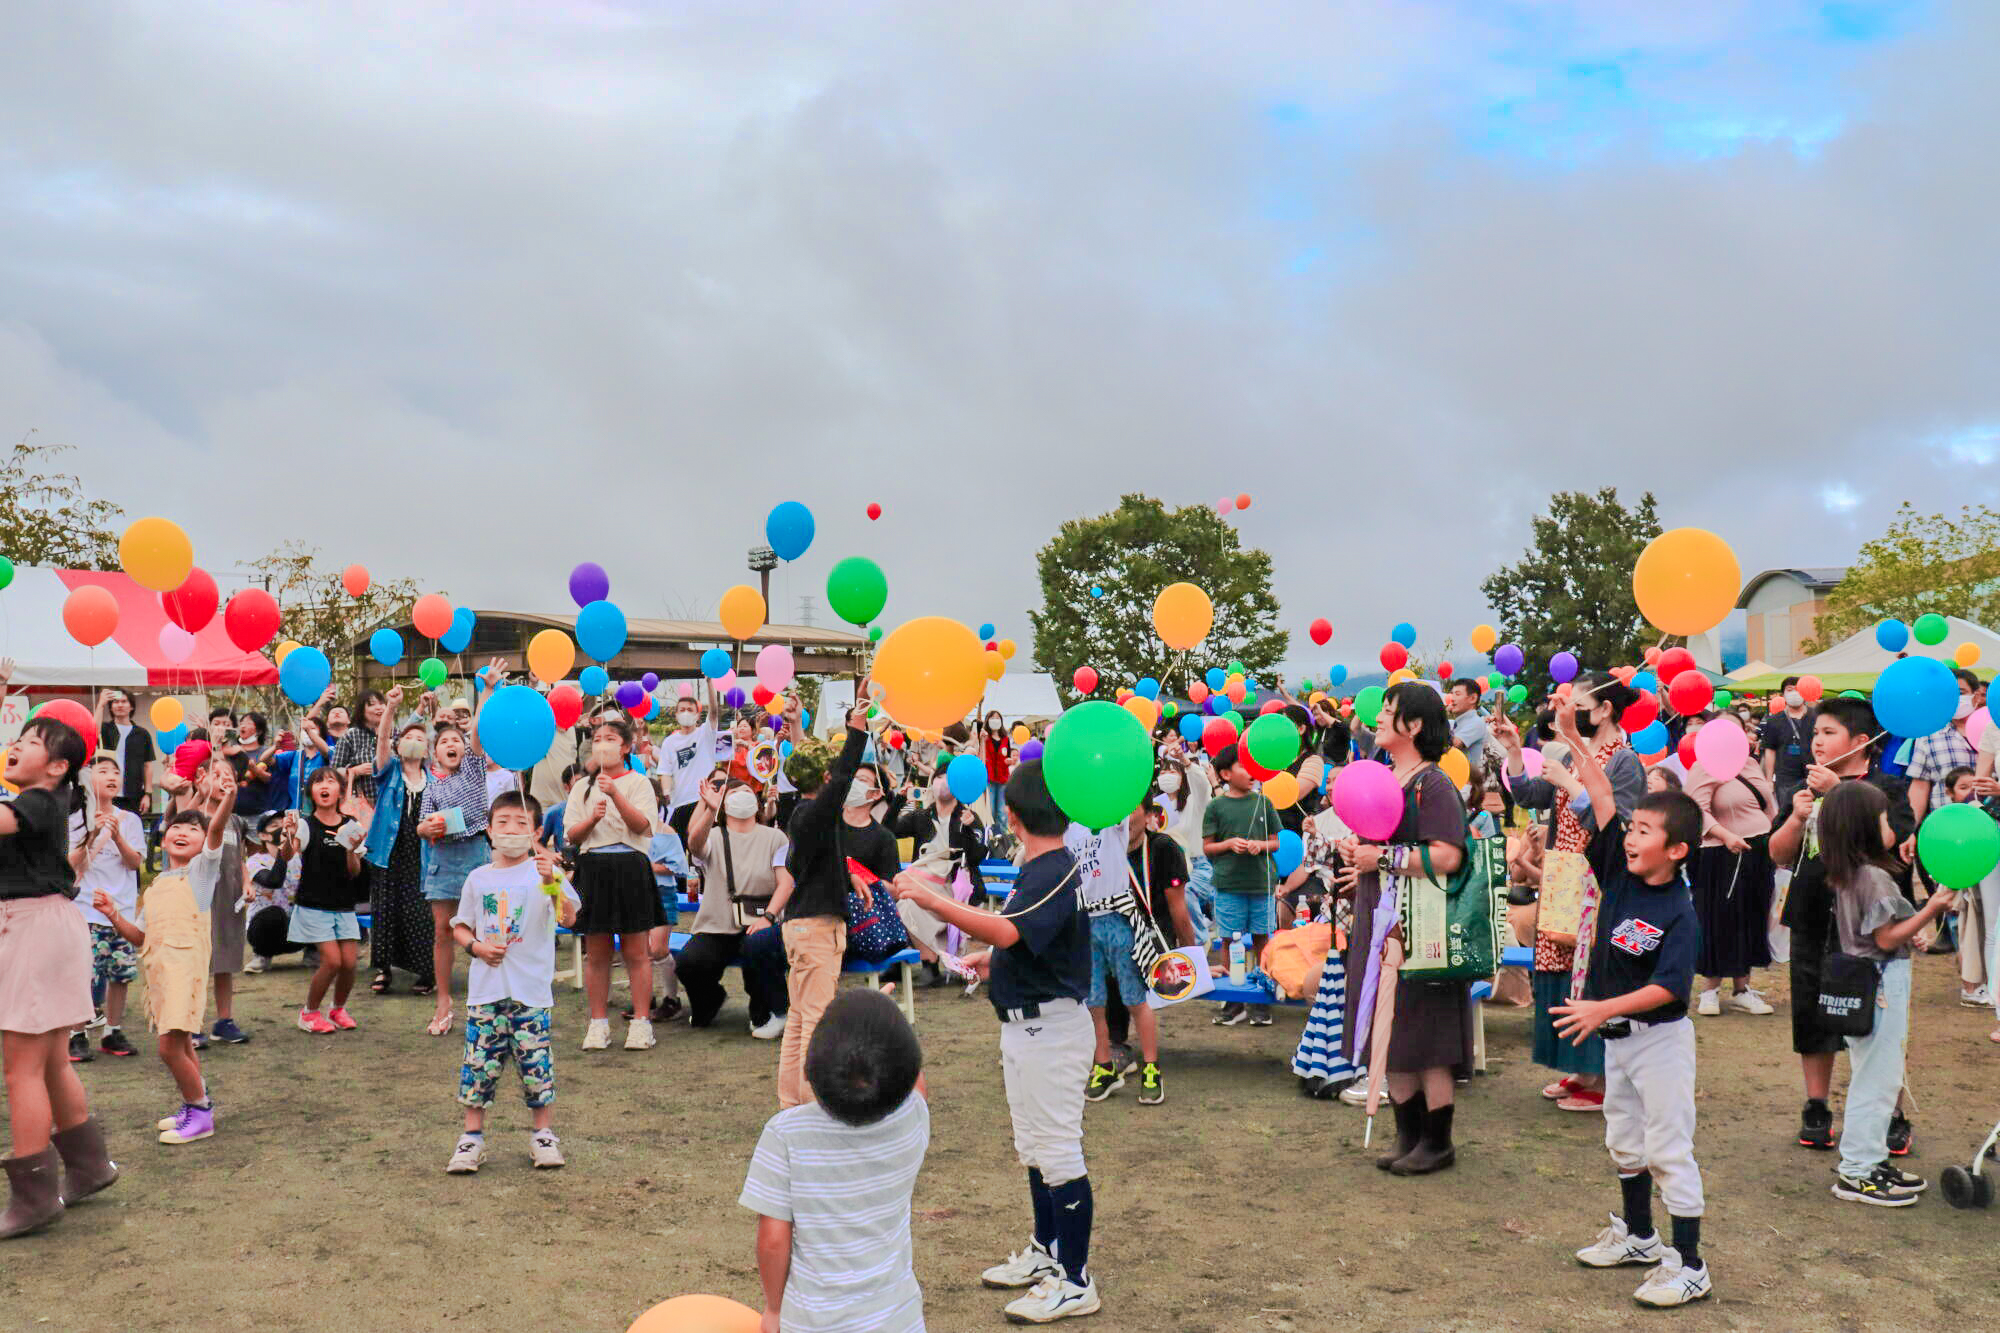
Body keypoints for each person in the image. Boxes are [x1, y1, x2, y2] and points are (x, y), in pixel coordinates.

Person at [886, 760, 1100, 1324]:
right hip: (1031, 1024)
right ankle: (1048, 1253)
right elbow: (1024, 939)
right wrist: (995, 958)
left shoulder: (1052, 867)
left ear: (1012, 813)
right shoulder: (1043, 866)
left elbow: (1010, 929)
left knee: (1056, 1150)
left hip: (1050, 1029)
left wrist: (931, 901)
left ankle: (1076, 1280)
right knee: (1035, 1147)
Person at [1551, 700, 1711, 1308]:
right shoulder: (1618, 875)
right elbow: (1600, 796)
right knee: (1624, 1139)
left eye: (1646, 832)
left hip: (1659, 1041)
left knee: (1669, 1150)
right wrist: (1572, 736)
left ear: (1677, 851)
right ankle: (1641, 1237)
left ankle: (1691, 1263)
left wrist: (1601, 1006)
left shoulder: (1680, 913)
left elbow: (1671, 987)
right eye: (1634, 828)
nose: (1632, 836)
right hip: (1619, 1039)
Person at [1768, 695, 1918, 1156]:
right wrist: (1796, 817)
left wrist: (1835, 793)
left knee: (1879, 1022)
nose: (1817, 741)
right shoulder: (1802, 789)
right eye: (1815, 733)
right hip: (1813, 917)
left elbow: (1885, 839)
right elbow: (1777, 854)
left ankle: (1891, 1113)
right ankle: (1816, 1107)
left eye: (1828, 732)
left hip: (1871, 928)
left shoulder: (1886, 789)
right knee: (1813, 1015)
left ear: (1861, 741)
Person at [740, 988, 930, 1333]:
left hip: (813, 1321)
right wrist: (885, 1021)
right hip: (898, 1318)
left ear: (811, 1068)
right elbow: (913, 1078)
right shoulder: (914, 1117)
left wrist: (773, 1307)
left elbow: (772, 1238)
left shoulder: (786, 1134)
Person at [1336, 683, 1469, 1175]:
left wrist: (1383, 857)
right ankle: (1407, 1134)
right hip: (1380, 918)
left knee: (1425, 1030)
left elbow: (1449, 856)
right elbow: (1375, 839)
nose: (1378, 718)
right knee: (1390, 1027)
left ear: (1413, 726)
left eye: (1388, 712)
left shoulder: (1431, 785)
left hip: (1422, 925)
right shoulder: (1389, 777)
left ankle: (1438, 1140)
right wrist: (1359, 854)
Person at [1499, 676, 1647, 1114]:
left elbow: (1617, 825)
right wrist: (1512, 749)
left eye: (1579, 703)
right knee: (1560, 969)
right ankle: (1580, 1068)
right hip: (1563, 876)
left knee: (1591, 970)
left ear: (1604, 711)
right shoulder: (1568, 753)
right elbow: (1528, 793)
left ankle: (1603, 1079)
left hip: (1598, 880)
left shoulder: (1624, 761)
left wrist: (1572, 781)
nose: (1570, 710)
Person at [0, 712, 121, 1239]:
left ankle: (33, 1198)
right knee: (47, 1060)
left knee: (21, 1068)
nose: (14, 746)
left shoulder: (35, 802)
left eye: (28, 742)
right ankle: (90, 1168)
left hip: (34, 928)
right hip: (44, 925)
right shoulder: (45, 801)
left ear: (56, 766)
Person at [1816, 780, 1955, 1207]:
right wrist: (1931, 909)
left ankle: (1871, 1160)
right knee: (1877, 1081)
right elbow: (1887, 936)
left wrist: (1909, 928)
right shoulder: (1873, 876)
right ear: (1862, 828)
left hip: (1868, 981)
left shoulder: (1852, 872)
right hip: (1879, 984)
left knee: (1876, 1076)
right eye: (1882, 819)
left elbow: (1883, 930)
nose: (1889, 826)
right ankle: (1857, 1172)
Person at [444, 792, 579, 1174]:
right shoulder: (478, 878)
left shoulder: (546, 872)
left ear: (537, 831)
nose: (511, 830)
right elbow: (461, 926)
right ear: (489, 830)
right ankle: (471, 1139)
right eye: (503, 822)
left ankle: (543, 1136)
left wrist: (553, 882)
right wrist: (478, 947)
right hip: (486, 991)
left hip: (531, 992)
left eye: (522, 823)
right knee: (479, 1065)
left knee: (536, 1065)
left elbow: (567, 918)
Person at [94, 790, 238, 1148]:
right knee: (182, 1044)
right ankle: (194, 1104)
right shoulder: (156, 886)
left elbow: (217, 828)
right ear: (163, 836)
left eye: (193, 828)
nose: (183, 831)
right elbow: (139, 936)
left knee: (168, 1048)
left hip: (184, 971)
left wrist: (229, 795)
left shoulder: (202, 874)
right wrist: (113, 915)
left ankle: (200, 1111)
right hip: (158, 974)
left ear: (205, 843)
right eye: (176, 826)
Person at [778, 705, 899, 1109]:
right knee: (814, 1021)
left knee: (798, 1019)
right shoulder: (814, 814)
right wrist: (856, 731)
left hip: (801, 927)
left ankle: (792, 1103)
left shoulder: (805, 816)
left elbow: (814, 863)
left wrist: (850, 877)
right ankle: (815, 1104)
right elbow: (844, 773)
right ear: (825, 779)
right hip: (815, 931)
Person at [565, 714, 661, 1053]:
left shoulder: (640, 783)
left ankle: (641, 1023)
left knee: (637, 951)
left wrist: (617, 795)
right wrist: (593, 816)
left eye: (609, 738)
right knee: (597, 952)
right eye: (597, 738)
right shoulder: (581, 787)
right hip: (593, 868)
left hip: (631, 866)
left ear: (626, 746)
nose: (601, 743)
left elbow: (643, 827)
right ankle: (598, 1023)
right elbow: (573, 836)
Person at [1090, 807, 1193, 1108]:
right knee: (1098, 978)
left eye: (1130, 809)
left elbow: (1178, 909)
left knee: (1127, 975)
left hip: (1152, 935)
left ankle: (1143, 1062)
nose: (1124, 819)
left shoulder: (1163, 848)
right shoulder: (1102, 845)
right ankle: (1112, 1048)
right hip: (1108, 930)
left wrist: (1189, 956)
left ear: (1148, 815)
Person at [417, 674, 501, 1037]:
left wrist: (485, 691)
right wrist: (427, 829)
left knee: (487, 929)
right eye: (444, 742)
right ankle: (444, 1002)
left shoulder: (473, 769)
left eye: (457, 740)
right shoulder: (431, 788)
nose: (452, 744)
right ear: (435, 753)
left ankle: (492, 999)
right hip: (442, 861)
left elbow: (478, 731)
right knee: (442, 931)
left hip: (477, 856)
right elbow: (420, 826)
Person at [1683, 713, 1777, 1017]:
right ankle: (1709, 991)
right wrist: (1726, 836)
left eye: (1736, 730)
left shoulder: (1750, 763)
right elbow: (1696, 810)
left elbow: (1769, 806)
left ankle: (1742, 988)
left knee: (1751, 917)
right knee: (1719, 919)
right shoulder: (1704, 766)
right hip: (1720, 853)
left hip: (1757, 850)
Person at [681, 774, 792, 1034]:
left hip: (760, 921)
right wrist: (710, 808)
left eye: (747, 791)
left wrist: (771, 917)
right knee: (689, 962)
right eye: (733, 793)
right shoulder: (714, 836)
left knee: (758, 947)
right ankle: (709, 1001)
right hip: (716, 924)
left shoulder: (776, 838)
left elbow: (785, 883)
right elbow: (695, 845)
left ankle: (762, 1011)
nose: (742, 795)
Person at [68, 756, 144, 1061]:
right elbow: (72, 865)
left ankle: (112, 1030)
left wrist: (117, 835)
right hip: (85, 910)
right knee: (83, 975)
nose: (112, 776)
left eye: (116, 772)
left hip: (121, 911)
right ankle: (77, 1033)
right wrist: (94, 833)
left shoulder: (131, 820)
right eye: (103, 771)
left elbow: (135, 862)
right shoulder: (76, 818)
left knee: (120, 975)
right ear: (88, 781)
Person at [1202, 743, 1280, 1026]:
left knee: (1262, 939)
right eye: (1243, 766)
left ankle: (1262, 1000)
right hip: (1228, 885)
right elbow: (1207, 847)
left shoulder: (1264, 802)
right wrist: (1228, 844)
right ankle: (1233, 1002)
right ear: (1225, 773)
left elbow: (1276, 841)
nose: (1252, 772)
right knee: (1229, 939)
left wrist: (1261, 845)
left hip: (1262, 884)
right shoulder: (1216, 806)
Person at [365, 698, 436, 1008]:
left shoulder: (434, 779)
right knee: (386, 908)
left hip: (421, 853)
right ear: (398, 744)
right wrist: (391, 710)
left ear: (427, 748)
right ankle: (383, 970)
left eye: (421, 738)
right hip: (387, 851)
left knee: (421, 910)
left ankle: (425, 969)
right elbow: (382, 739)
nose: (415, 740)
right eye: (409, 736)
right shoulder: (389, 770)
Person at [286, 768, 365, 1034]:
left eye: (331, 781)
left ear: (340, 791)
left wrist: (352, 851)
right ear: (310, 791)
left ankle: (338, 1009)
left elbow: (355, 871)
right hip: (313, 904)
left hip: (343, 904)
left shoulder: (351, 824)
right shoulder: (306, 825)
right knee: (332, 961)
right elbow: (287, 855)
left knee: (350, 963)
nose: (324, 786)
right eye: (318, 781)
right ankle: (308, 1013)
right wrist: (288, 835)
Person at [891, 770, 988, 988]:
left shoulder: (967, 816)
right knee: (902, 901)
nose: (942, 783)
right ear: (931, 784)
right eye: (938, 778)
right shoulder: (921, 817)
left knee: (908, 901)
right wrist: (898, 800)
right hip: (924, 881)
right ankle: (926, 963)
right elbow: (889, 830)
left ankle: (928, 962)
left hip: (955, 886)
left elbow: (977, 857)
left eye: (947, 778)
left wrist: (971, 828)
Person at [1904, 667, 1980, 827]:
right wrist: (1911, 830)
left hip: (1990, 824)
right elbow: (1919, 787)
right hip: (1945, 828)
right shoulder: (1929, 735)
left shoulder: (1991, 731)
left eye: (1961, 692)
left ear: (1976, 696)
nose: (1955, 698)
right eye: (1949, 694)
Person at [658, 687, 722, 848]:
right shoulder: (669, 742)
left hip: (704, 800)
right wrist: (666, 792)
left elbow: (714, 712)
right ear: (676, 714)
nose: (686, 713)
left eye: (690, 710)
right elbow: (664, 771)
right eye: (682, 710)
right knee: (677, 847)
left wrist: (709, 682)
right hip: (679, 802)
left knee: (703, 847)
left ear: (697, 715)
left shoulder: (705, 734)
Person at [644, 817, 688, 1023]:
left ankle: (672, 1000)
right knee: (638, 950)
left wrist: (646, 865)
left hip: (662, 892)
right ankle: (644, 998)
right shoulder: (623, 827)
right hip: (634, 891)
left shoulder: (666, 831)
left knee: (658, 949)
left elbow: (678, 867)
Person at [94, 688, 156, 817]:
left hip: (133, 794)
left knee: (130, 828)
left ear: (131, 706)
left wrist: (148, 794)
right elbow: (93, 731)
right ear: (111, 707)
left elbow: (148, 765)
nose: (120, 705)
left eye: (124, 701)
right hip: (106, 792)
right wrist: (100, 704)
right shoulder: (105, 729)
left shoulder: (142, 734)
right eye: (115, 702)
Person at [1759, 677, 1816, 810]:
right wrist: (1769, 780)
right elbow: (1770, 750)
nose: (1794, 693)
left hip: (1813, 773)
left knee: (1813, 811)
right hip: (1785, 775)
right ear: (1783, 694)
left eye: (1798, 690)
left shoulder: (1816, 717)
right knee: (1786, 811)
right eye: (1790, 690)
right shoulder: (1774, 721)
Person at [1446, 677, 1489, 773]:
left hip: (1467, 783)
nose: (1452, 699)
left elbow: (1454, 744)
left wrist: (1441, 715)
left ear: (1473, 698)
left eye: (1457, 694)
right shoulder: (1454, 723)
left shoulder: (1477, 723)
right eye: (1452, 694)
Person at [982, 709, 1012, 828]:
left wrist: (1009, 761)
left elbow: (1007, 756)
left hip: (1003, 778)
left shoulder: (1005, 739)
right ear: (988, 720)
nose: (995, 720)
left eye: (998, 718)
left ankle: (1002, 837)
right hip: (989, 778)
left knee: (1002, 811)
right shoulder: (985, 737)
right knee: (991, 810)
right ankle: (990, 836)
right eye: (992, 718)